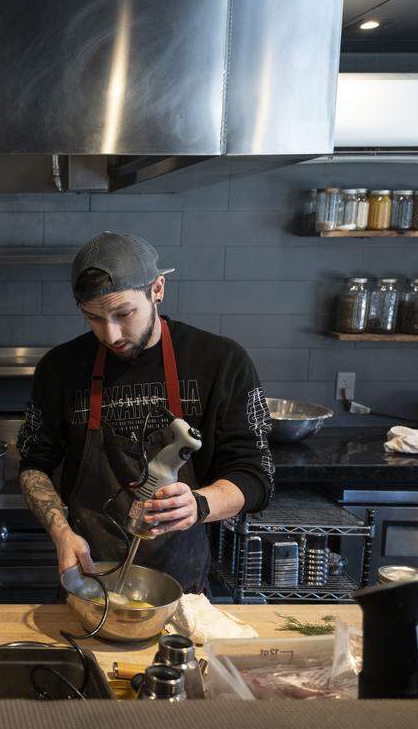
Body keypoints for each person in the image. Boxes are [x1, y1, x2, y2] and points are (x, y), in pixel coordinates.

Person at [17, 231, 274, 593]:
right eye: (93, 318)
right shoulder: (61, 368)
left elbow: (255, 475)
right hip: (89, 581)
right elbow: (34, 466)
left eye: (124, 313)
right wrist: (61, 533)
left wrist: (199, 504)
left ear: (157, 289)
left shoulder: (219, 361)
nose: (111, 334)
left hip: (182, 593)